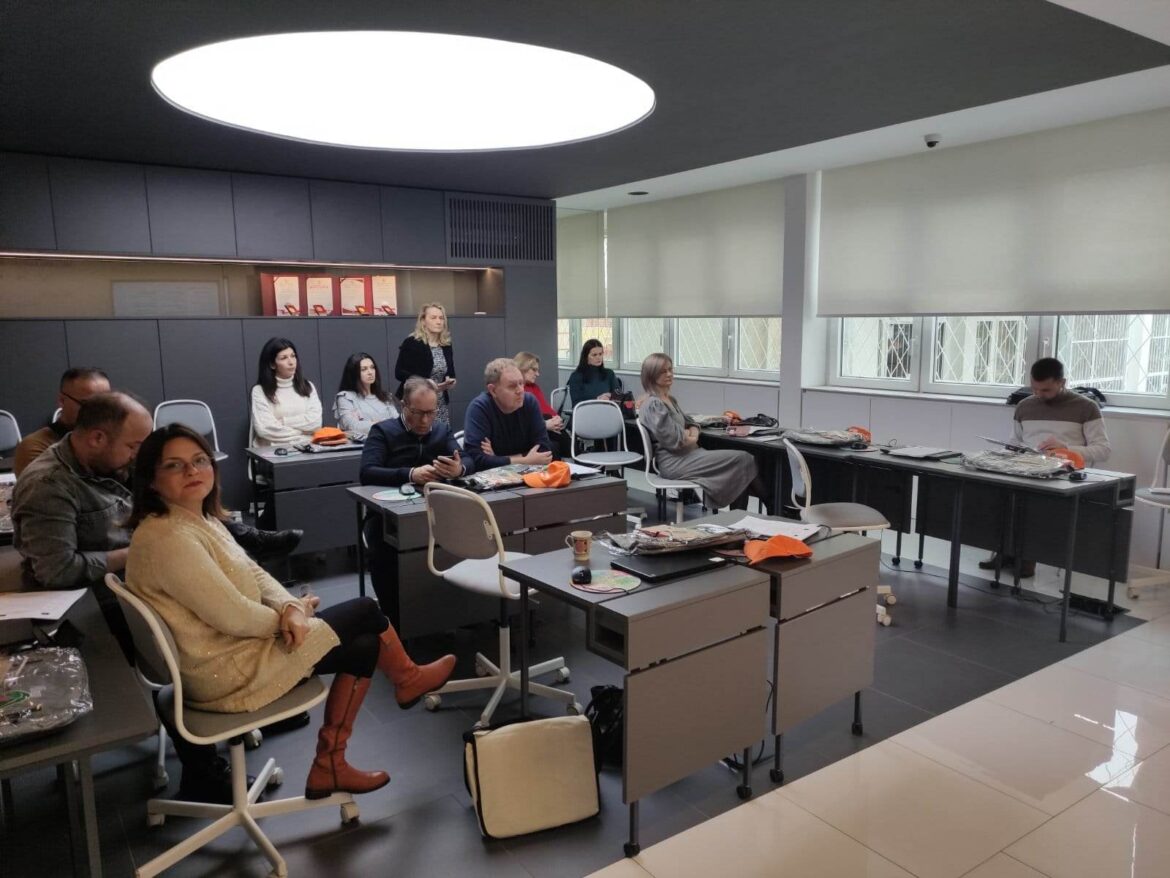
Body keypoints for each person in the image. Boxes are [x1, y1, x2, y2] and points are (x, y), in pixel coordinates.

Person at [125, 424, 456, 801]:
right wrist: (293, 618)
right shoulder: (170, 538)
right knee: (365, 611)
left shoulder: (195, 517)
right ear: (151, 480)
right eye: (174, 465)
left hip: (232, 651)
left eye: (200, 460)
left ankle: (331, 763)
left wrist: (290, 607)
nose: (191, 471)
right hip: (228, 671)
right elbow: (235, 617)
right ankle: (406, 679)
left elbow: (253, 573)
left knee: (365, 645)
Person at [980, 356, 1112, 577]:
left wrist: (1067, 448)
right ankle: (1006, 550)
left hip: (1064, 473)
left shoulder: (1086, 407)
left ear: (1062, 382)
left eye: (1046, 390)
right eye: (1035, 389)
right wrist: (1008, 454)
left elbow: (1103, 450)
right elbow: (1014, 443)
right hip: (1027, 466)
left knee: (1033, 501)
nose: (1039, 395)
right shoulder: (1025, 406)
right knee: (997, 493)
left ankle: (1026, 556)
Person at [359, 376, 470, 622]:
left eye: (431, 413)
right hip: (387, 515)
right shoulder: (383, 431)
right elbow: (367, 472)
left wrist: (458, 469)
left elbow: (467, 460)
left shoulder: (440, 430)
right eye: (418, 413)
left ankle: (453, 614)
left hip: (435, 511)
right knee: (385, 554)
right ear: (404, 405)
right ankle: (395, 620)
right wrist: (410, 474)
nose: (425, 420)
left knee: (463, 541)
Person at [638, 353, 770, 511]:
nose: (669, 374)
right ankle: (772, 506)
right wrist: (690, 437)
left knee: (741, 466)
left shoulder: (670, 400)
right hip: (675, 462)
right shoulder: (654, 405)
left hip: (690, 454)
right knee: (744, 459)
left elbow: (691, 423)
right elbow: (676, 441)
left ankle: (748, 514)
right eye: (663, 371)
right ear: (651, 375)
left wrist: (690, 434)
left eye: (670, 369)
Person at [13, 366, 110, 476]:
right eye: (87, 404)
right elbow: (48, 485)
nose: (98, 412)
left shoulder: (112, 438)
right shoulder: (35, 446)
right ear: (62, 401)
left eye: (105, 404)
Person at [463, 358, 553, 472]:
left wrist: (496, 458)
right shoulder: (480, 408)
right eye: (512, 386)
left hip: (529, 475)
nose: (520, 390)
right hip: (493, 479)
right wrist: (526, 460)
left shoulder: (529, 402)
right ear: (493, 390)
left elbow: (544, 452)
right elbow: (476, 460)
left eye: (521, 383)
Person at [250, 337, 322, 448]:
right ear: (272, 364)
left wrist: (283, 422)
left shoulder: (308, 386)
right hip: (273, 451)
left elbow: (315, 423)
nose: (291, 362)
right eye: (283, 358)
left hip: (306, 449)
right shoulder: (259, 391)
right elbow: (265, 429)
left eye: (293, 356)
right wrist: (302, 435)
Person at [394, 302, 456, 426]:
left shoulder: (446, 345)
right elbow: (399, 373)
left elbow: (450, 372)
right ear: (423, 321)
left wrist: (450, 381)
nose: (438, 321)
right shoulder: (412, 342)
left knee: (441, 434)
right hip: (416, 401)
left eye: (441, 318)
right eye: (433, 318)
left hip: (439, 401)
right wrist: (424, 381)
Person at [514, 351, 570, 458]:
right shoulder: (516, 391)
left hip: (541, 427)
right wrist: (545, 424)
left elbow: (545, 407)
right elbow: (522, 420)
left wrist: (557, 418)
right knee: (555, 444)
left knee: (559, 441)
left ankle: (573, 458)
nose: (537, 374)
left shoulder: (534, 387)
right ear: (523, 368)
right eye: (534, 370)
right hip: (529, 432)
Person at [333, 352, 397, 437]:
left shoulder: (386, 396)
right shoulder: (345, 397)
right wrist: (383, 425)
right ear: (353, 373)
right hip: (361, 443)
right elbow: (351, 425)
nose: (370, 372)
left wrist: (376, 424)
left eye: (372, 367)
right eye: (364, 369)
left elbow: (397, 423)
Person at [567, 338, 621, 406]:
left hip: (607, 410)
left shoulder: (609, 373)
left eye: (600, 354)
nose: (598, 357)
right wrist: (597, 400)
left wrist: (610, 396)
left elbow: (619, 397)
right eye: (594, 355)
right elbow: (576, 404)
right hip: (586, 411)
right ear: (586, 357)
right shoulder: (576, 376)